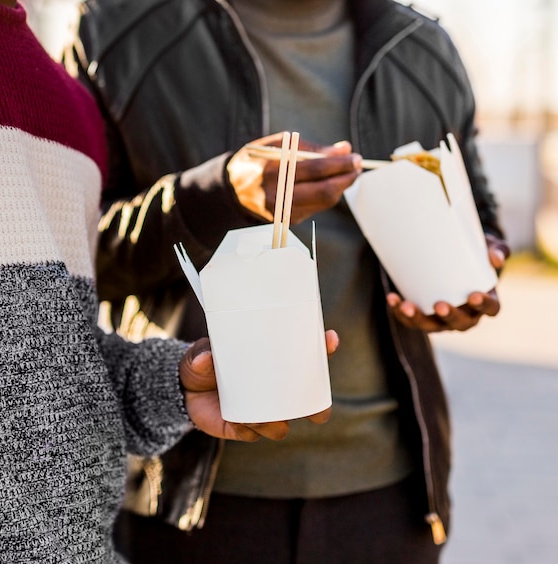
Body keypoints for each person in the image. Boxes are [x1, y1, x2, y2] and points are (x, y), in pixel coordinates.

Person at [72, 0, 510, 562]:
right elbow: (70, 257)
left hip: (387, 498)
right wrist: (215, 195)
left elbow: (479, 213)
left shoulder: (422, 49)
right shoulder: (117, 32)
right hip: (187, 497)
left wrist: (471, 273)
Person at [0, 1, 338, 561]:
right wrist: (214, 196)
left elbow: (31, 364)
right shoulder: (112, 41)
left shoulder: (66, 103)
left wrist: (166, 385)